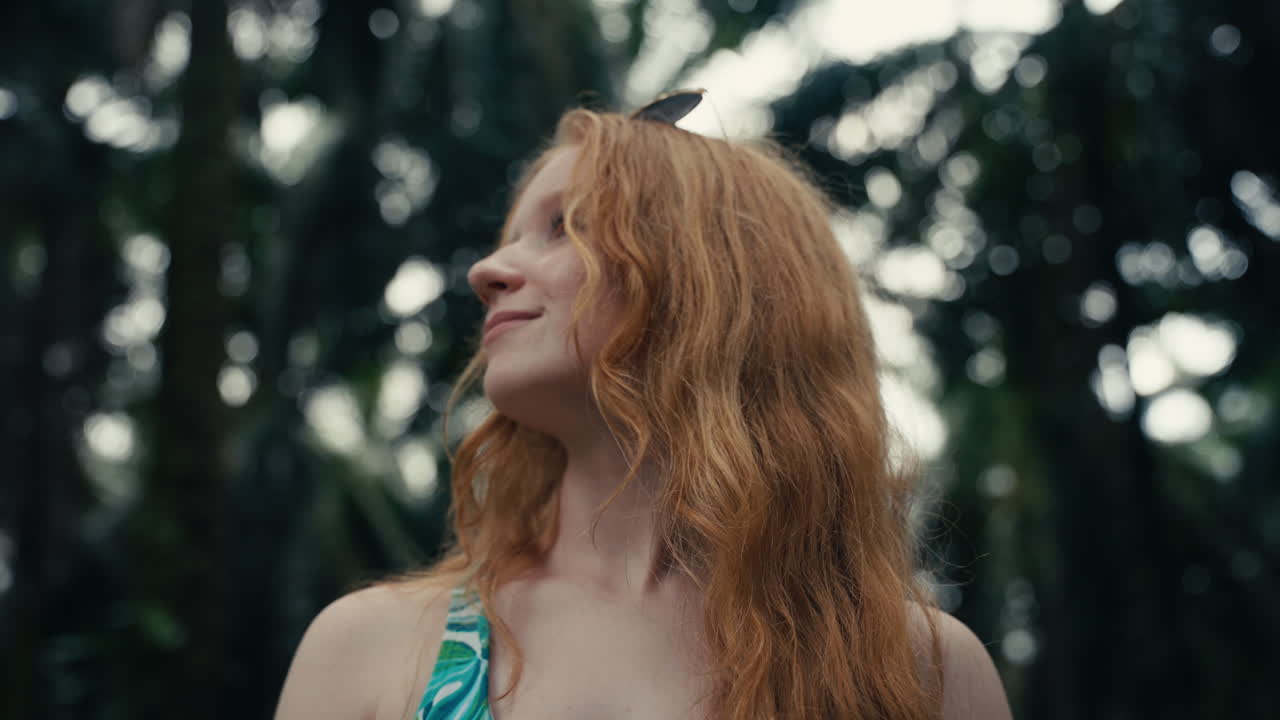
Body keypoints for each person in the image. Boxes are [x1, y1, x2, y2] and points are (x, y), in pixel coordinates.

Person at [274, 92, 1012, 720]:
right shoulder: (369, 649)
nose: (487, 271)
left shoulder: (920, 669)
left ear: (710, 282)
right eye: (512, 236)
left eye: (564, 226)